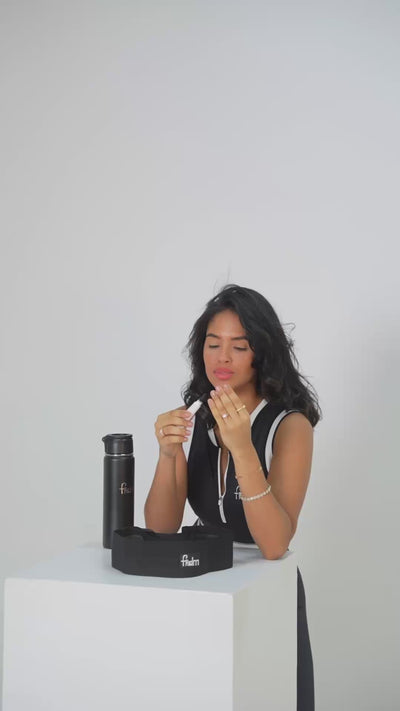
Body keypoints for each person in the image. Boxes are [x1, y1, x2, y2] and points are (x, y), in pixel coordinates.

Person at [144, 284, 321, 711]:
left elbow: (274, 545)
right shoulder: (197, 414)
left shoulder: (289, 425)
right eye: (213, 344)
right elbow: (160, 528)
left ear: (262, 353)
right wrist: (168, 453)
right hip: (205, 586)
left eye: (239, 347)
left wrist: (242, 448)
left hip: (266, 592)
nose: (222, 358)